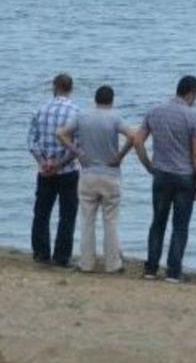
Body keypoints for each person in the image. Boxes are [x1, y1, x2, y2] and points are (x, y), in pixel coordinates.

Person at [55, 85, 139, 273]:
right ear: (112, 100)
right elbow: (134, 136)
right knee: (111, 221)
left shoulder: (82, 117)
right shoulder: (115, 118)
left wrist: (77, 152)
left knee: (87, 220)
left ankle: (86, 263)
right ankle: (113, 264)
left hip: (88, 174)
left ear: (95, 99)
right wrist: (120, 156)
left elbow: (60, 133)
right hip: (110, 174)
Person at [135, 75, 196, 283]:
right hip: (184, 177)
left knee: (157, 222)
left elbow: (138, 141)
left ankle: (151, 269)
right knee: (180, 225)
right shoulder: (193, 117)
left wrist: (149, 165)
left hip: (161, 174)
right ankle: (174, 272)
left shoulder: (155, 112)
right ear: (191, 93)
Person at [29, 73, 80, 267]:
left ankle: (41, 254)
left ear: (54, 86)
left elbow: (31, 141)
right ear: (71, 88)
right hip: (67, 171)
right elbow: (77, 145)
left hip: (44, 170)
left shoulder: (41, 110)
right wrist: (59, 164)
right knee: (67, 215)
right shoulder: (76, 111)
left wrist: (43, 162)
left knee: (42, 212)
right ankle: (61, 257)